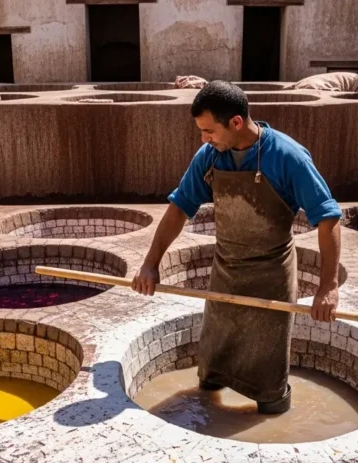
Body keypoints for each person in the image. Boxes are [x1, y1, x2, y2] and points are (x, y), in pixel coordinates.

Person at [132, 80, 342, 415]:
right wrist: (150, 263)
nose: (204, 139)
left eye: (209, 131)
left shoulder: (287, 157)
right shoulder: (210, 157)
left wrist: (327, 287)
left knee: (269, 388)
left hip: (271, 279)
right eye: (201, 131)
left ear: (236, 122)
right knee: (211, 376)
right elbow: (178, 209)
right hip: (225, 275)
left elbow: (328, 217)